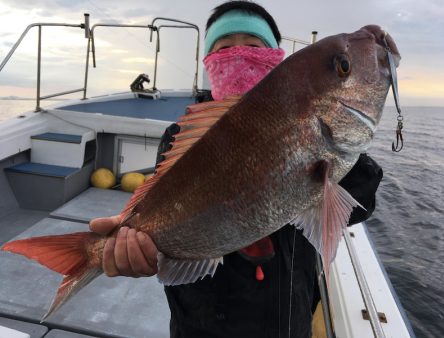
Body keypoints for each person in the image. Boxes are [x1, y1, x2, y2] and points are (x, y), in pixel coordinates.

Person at [90, 2, 383, 337]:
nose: (238, 53)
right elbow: (164, 208)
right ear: (209, 61)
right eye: (224, 47)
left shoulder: (311, 131)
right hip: (201, 323)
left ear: (278, 61)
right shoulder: (182, 135)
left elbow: (357, 206)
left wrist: (326, 150)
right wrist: (136, 242)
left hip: (287, 320)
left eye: (252, 45)